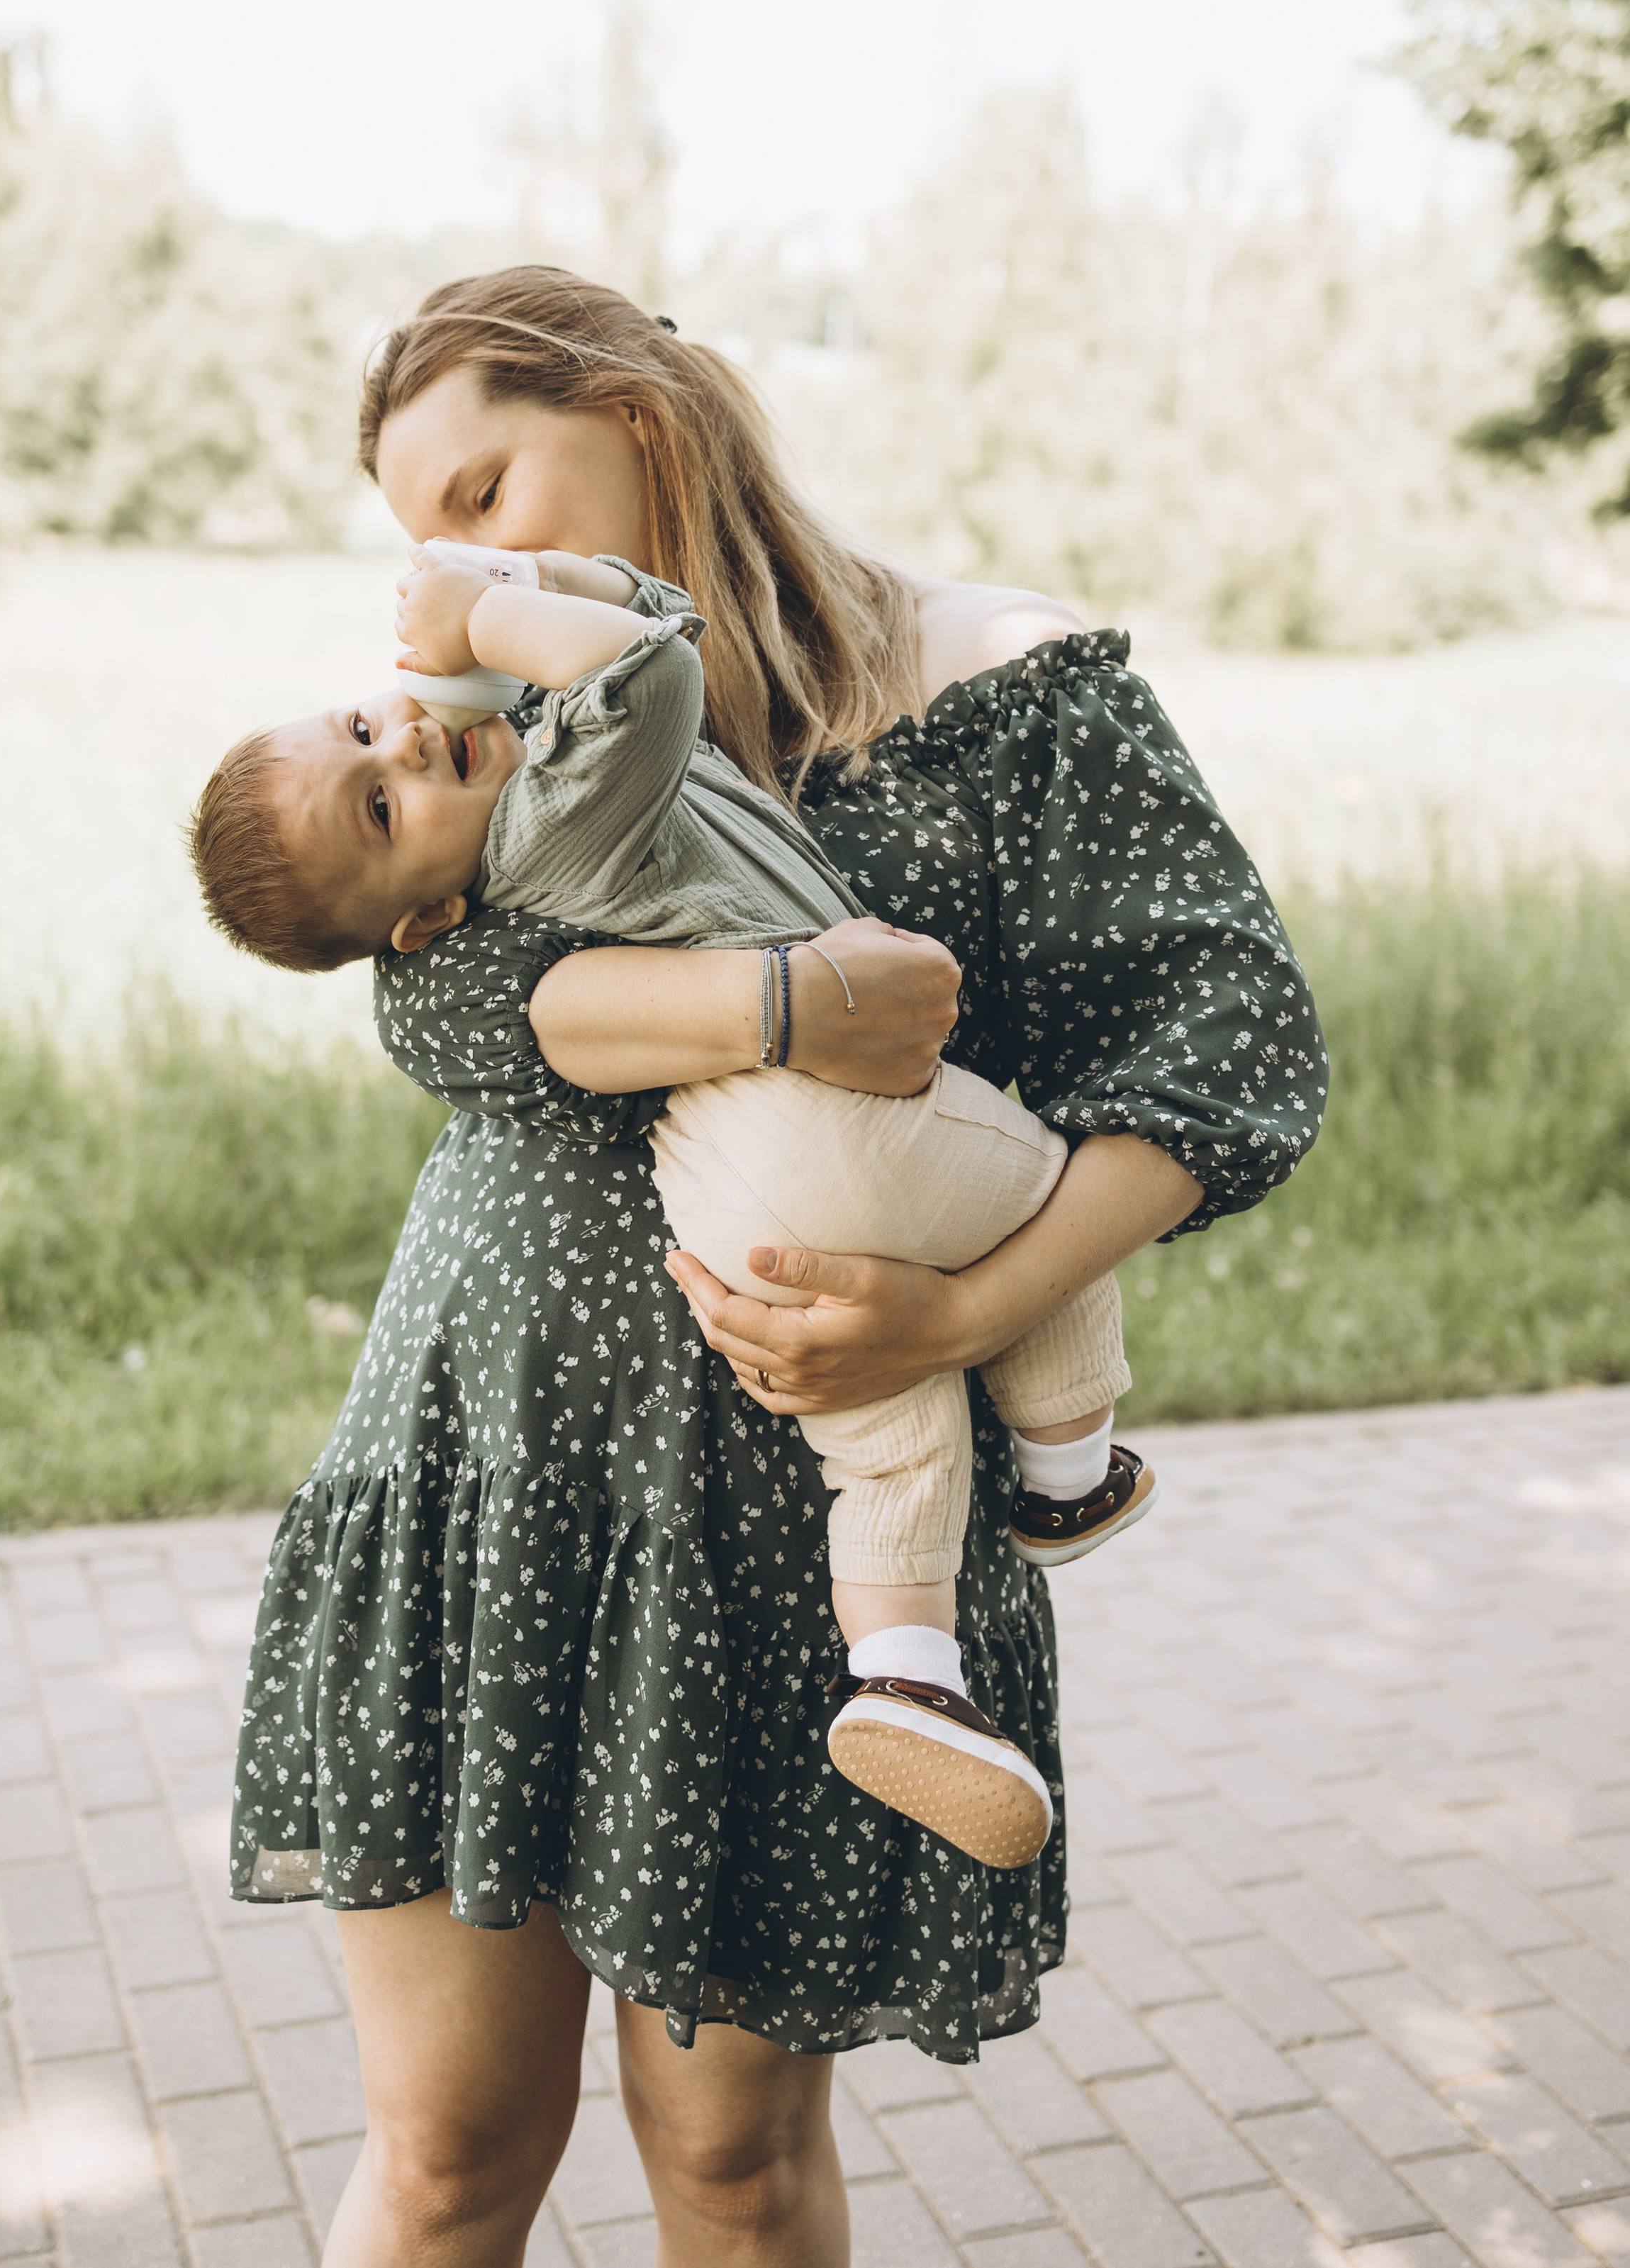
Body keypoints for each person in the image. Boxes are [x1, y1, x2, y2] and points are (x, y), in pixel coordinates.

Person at [223, 267, 1328, 2268]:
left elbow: (1226, 1044)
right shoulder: (504, 712)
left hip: (777, 1559)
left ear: (639, 411)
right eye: (425, 537)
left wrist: (974, 1314)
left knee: (729, 2168)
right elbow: (445, 1015)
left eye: (487, 487)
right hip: (489, 1487)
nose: (456, 569)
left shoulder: (1013, 681)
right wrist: (791, 1001)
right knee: (455, 2153)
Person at [189, 554, 1156, 1872]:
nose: (405, 738)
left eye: (365, 725)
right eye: (379, 801)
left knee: (888, 1437)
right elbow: (654, 667)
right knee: (1043, 1193)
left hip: (728, 1201)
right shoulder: (552, 815)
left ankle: (906, 1676)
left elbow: (648, 621)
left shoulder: (494, 880)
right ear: (421, 917)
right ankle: (1066, 1468)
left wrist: (515, 613)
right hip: (829, 1121)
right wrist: (491, 611)